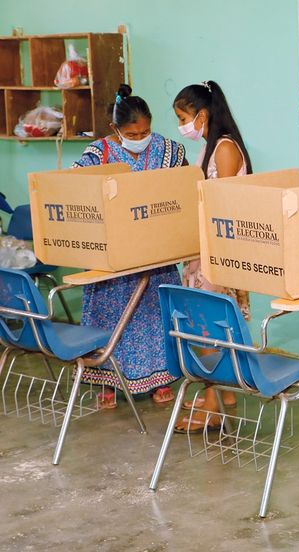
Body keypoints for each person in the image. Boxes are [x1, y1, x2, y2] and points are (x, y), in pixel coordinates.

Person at [72, 84, 187, 406]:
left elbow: (183, 191)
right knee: (110, 317)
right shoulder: (98, 154)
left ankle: (161, 379)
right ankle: (108, 383)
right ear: (115, 129)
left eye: (145, 132)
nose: (140, 138)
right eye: (132, 134)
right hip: (112, 257)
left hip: (156, 253)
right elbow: (75, 191)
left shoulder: (169, 151)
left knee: (153, 316)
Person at [171, 80, 253, 434]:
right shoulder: (210, 147)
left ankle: (213, 407)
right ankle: (222, 393)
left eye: (183, 118)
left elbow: (224, 206)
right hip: (205, 250)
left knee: (208, 327)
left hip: (219, 253)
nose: (181, 126)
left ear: (202, 115)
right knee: (204, 325)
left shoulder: (225, 148)